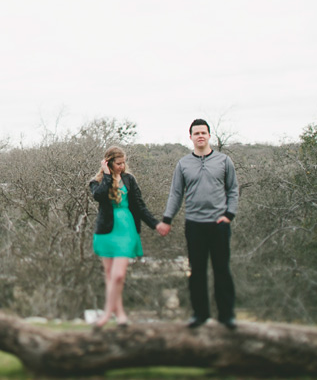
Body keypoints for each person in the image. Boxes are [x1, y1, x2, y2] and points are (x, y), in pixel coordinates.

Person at [156, 119, 239, 330]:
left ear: (210, 135)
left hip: (219, 223)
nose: (200, 136)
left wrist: (229, 214)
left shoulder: (224, 161)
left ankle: (226, 316)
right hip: (194, 224)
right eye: (196, 133)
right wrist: (167, 219)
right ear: (191, 137)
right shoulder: (183, 164)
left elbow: (233, 189)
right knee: (197, 271)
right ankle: (200, 315)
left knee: (222, 270)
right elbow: (176, 193)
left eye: (203, 132)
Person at [90, 146, 159, 329]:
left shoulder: (129, 180)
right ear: (109, 163)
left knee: (118, 275)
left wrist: (155, 224)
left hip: (126, 230)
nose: (122, 166)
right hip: (106, 231)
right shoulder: (96, 182)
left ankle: (106, 314)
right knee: (109, 275)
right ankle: (119, 315)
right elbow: (99, 196)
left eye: (123, 163)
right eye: (118, 163)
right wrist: (106, 175)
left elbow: (139, 205)